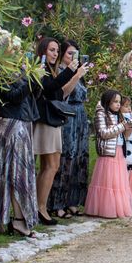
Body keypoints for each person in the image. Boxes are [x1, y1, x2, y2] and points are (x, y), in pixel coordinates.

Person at [0, 36, 41, 237]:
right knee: (14, 173)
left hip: (24, 123)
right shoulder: (0, 71)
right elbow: (13, 97)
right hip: (11, 124)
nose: (20, 52)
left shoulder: (19, 70)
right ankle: (9, 219)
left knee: (22, 174)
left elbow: (31, 96)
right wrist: (29, 77)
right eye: (16, 49)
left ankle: (17, 219)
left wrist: (34, 78)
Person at [34, 37, 86, 226]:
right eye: (52, 50)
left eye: (56, 50)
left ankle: (40, 206)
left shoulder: (51, 70)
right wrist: (73, 71)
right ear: (42, 51)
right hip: (46, 120)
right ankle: (41, 208)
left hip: (53, 120)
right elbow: (50, 87)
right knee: (51, 165)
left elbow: (57, 93)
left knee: (50, 166)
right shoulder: (41, 69)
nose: (55, 54)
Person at [48, 40, 90, 218]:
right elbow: (64, 93)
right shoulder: (60, 72)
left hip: (80, 117)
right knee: (66, 158)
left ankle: (73, 201)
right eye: (69, 53)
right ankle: (57, 203)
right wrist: (76, 75)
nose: (73, 57)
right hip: (67, 116)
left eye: (76, 54)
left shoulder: (78, 72)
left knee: (80, 159)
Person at [84, 90, 132, 219]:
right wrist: (122, 126)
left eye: (119, 102)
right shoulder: (101, 114)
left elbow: (126, 136)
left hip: (119, 152)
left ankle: (118, 208)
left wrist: (129, 127)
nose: (118, 105)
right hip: (108, 153)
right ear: (107, 102)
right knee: (107, 181)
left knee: (118, 182)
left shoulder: (120, 116)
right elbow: (103, 133)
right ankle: (104, 209)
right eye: (115, 102)